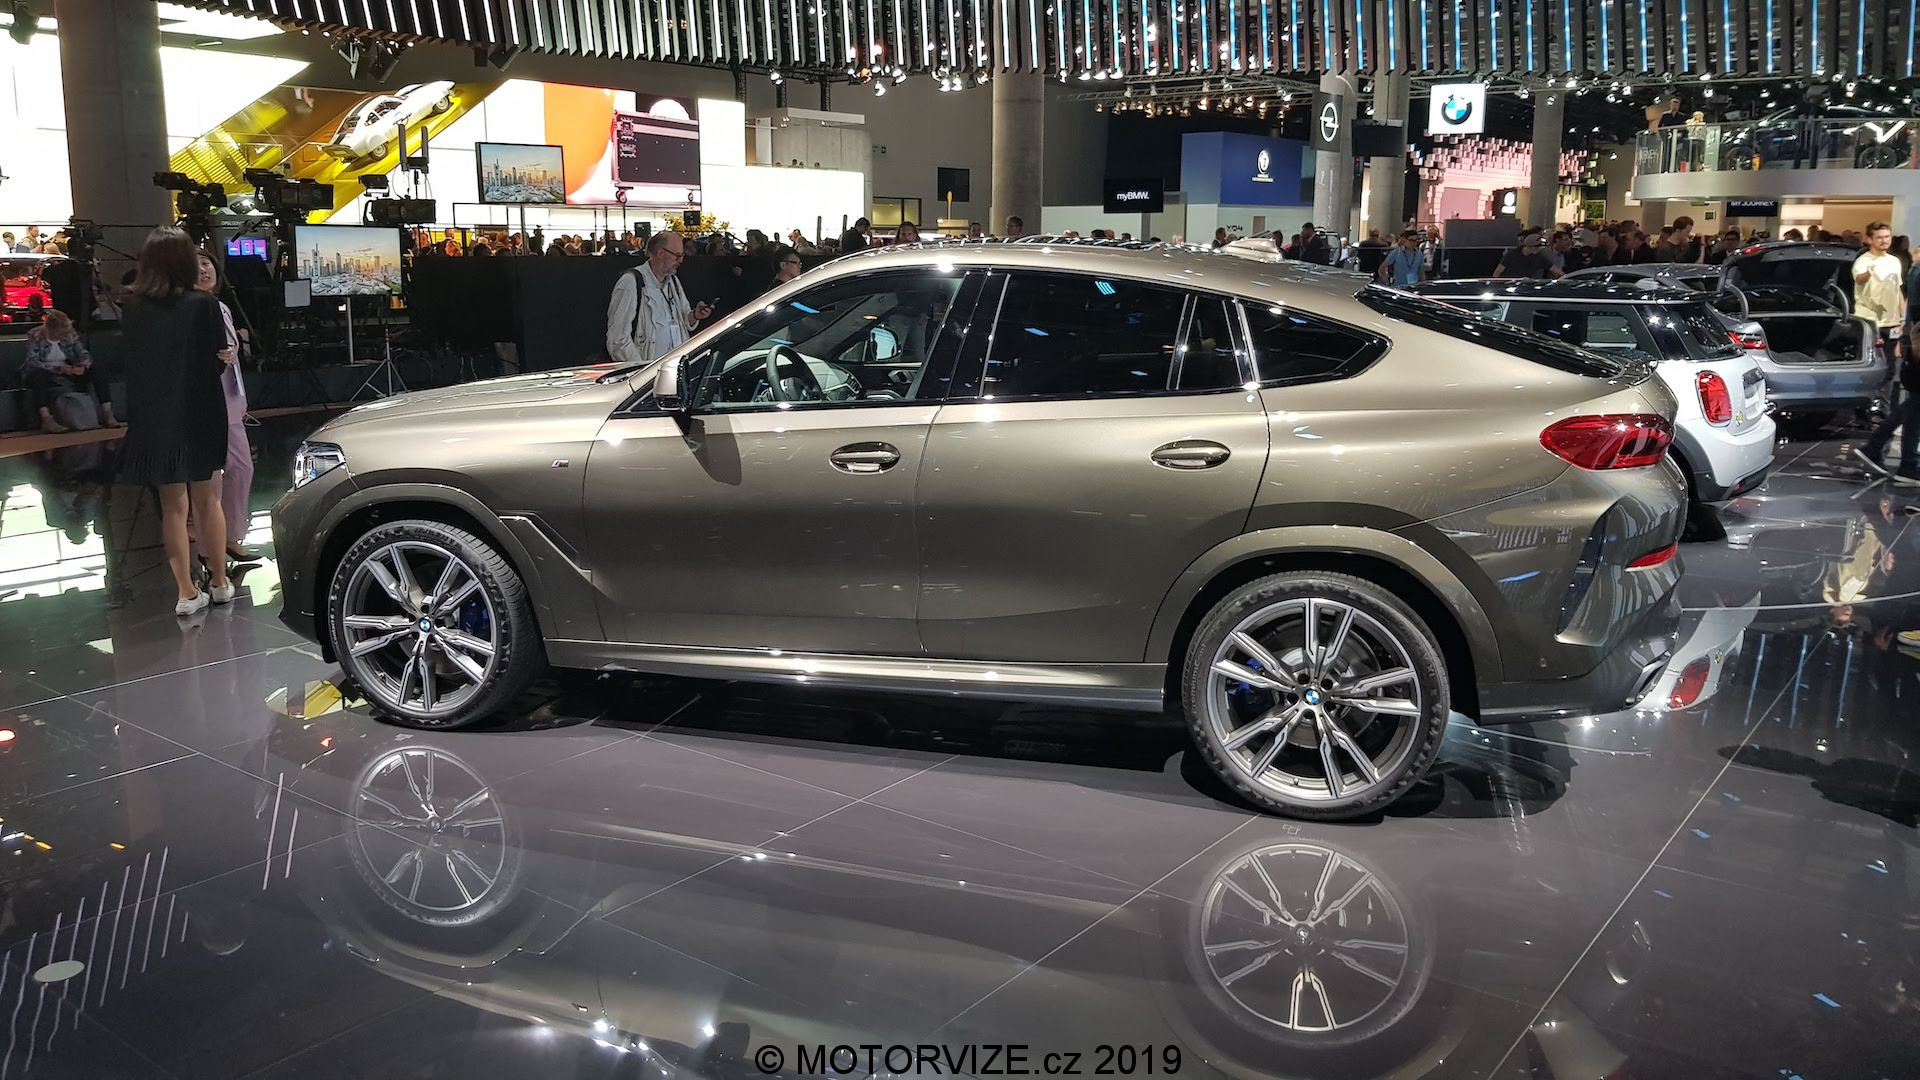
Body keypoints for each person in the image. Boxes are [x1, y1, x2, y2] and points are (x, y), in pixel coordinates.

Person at [117, 226, 233, 616]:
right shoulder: (203, 304)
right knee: (208, 500)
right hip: (201, 410)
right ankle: (220, 582)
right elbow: (216, 361)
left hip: (154, 416)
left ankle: (185, 592)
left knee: (173, 508)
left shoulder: (132, 306)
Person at [193, 252, 256, 563]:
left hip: (231, 399)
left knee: (241, 469)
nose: (203, 270)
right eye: (195, 266)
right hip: (209, 401)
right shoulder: (190, 309)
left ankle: (231, 537)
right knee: (212, 479)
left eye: (206, 263)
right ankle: (210, 548)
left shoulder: (221, 307)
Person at [1852, 223, 1915, 481]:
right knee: (1879, 373)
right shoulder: (1863, 261)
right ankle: (1870, 418)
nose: (1884, 241)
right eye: (1879, 237)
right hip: (1869, 322)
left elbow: (1899, 291)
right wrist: (1867, 275)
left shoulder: (1895, 262)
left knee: (1893, 375)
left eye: (1887, 237)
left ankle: (1893, 450)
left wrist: (1902, 319)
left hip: (1892, 324)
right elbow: (1859, 279)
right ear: (1869, 239)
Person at [606, 231, 714, 367]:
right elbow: (617, 340)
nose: (681, 260)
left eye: (682, 255)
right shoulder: (631, 282)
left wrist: (695, 316)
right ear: (660, 253)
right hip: (650, 373)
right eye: (677, 255)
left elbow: (684, 320)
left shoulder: (673, 282)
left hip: (675, 369)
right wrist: (642, 371)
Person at [21, 309, 117, 432]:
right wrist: (57, 369)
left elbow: (83, 353)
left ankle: (107, 412)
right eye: (60, 332)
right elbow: (33, 361)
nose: (63, 335)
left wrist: (82, 366)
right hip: (45, 372)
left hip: (68, 371)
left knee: (98, 369)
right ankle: (47, 419)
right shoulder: (35, 335)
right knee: (39, 375)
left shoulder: (70, 334)